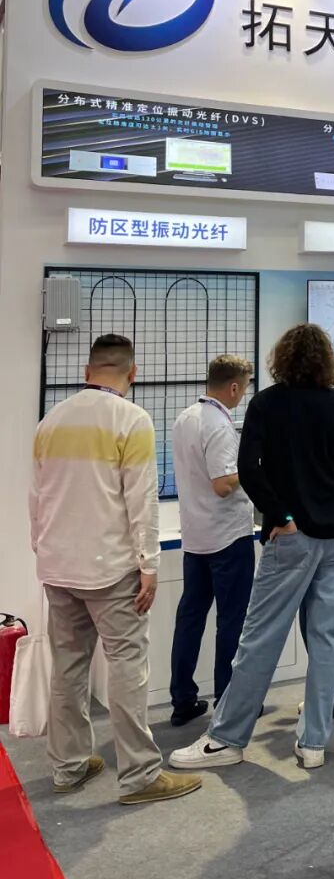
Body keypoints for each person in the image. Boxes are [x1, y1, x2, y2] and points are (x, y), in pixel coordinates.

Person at [171, 324, 334, 772]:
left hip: (292, 538)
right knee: (326, 640)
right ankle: (313, 743)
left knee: (259, 638)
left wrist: (280, 516)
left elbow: (248, 468)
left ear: (282, 358)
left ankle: (226, 738)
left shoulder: (266, 404)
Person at [29, 334, 201, 804]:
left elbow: (36, 497)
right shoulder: (132, 419)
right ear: (133, 373)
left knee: (68, 668)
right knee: (127, 667)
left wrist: (41, 549)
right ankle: (140, 776)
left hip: (58, 566)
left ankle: (67, 766)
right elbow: (141, 500)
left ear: (86, 372)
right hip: (110, 569)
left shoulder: (51, 421)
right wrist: (149, 564)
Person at [168, 354, 256, 728]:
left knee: (190, 618)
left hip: (195, 537)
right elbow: (222, 484)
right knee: (232, 619)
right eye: (245, 387)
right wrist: (252, 468)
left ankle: (182, 699)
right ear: (234, 387)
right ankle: (228, 700)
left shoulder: (185, 418)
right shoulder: (220, 426)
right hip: (228, 537)